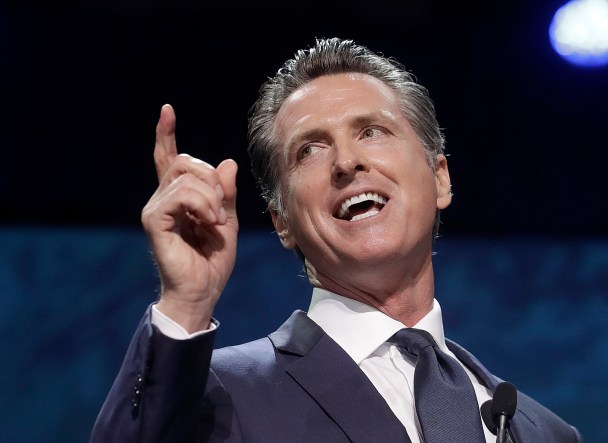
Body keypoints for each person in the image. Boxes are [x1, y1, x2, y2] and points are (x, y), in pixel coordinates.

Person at [91, 37, 582, 443]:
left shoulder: (543, 431)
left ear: (439, 179)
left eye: (372, 132)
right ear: (282, 222)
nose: (346, 162)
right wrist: (186, 303)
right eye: (310, 150)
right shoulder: (220, 395)